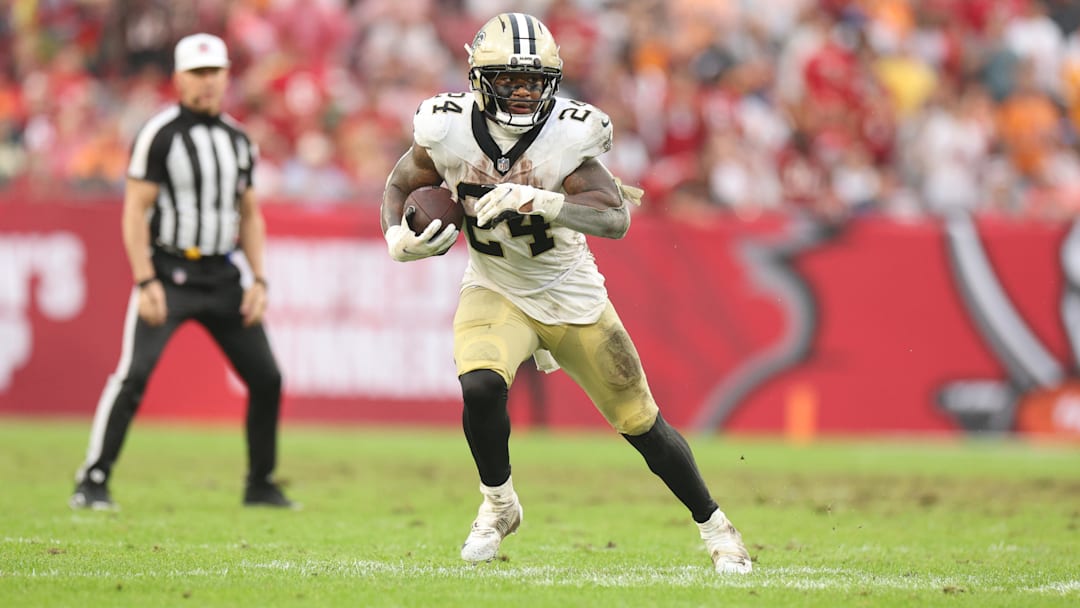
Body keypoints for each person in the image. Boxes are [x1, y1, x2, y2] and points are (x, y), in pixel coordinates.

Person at [380, 13, 751, 574]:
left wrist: (544, 202)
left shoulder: (568, 134)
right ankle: (499, 505)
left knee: (640, 422)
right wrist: (395, 238)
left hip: (568, 293)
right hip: (496, 284)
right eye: (509, 80)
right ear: (479, 80)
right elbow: (401, 182)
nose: (523, 92)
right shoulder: (446, 127)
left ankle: (717, 528)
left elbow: (615, 218)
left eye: (534, 81)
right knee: (480, 385)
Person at [69, 33, 295, 510]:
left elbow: (249, 214)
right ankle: (93, 479)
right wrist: (145, 280)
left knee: (267, 377)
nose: (207, 81)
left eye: (214, 72)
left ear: (227, 76)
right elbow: (135, 211)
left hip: (222, 275)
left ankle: (260, 483)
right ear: (178, 78)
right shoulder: (160, 133)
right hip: (169, 272)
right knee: (133, 375)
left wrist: (259, 278)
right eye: (197, 72)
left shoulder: (238, 140)